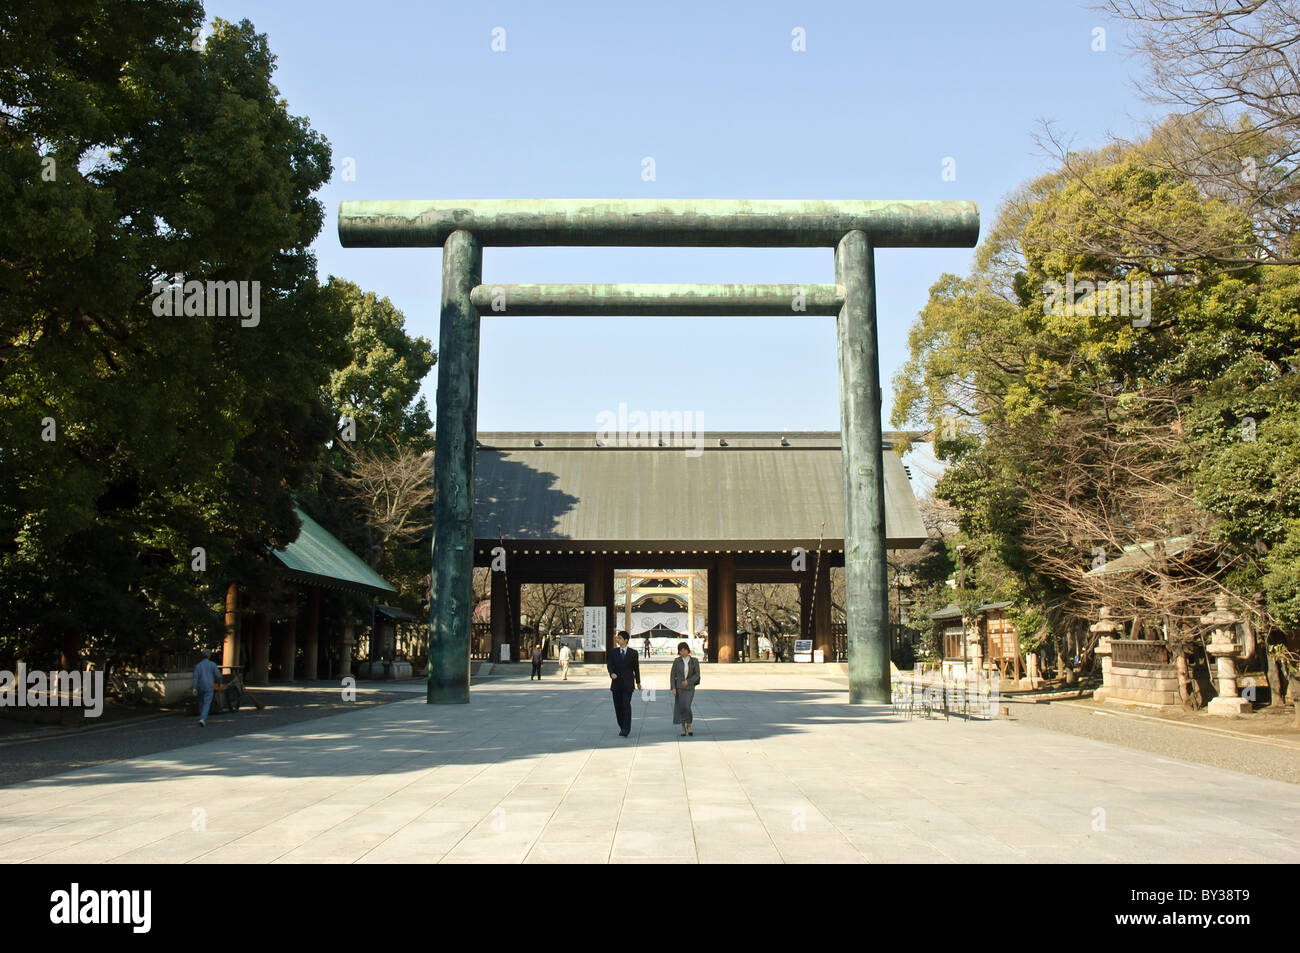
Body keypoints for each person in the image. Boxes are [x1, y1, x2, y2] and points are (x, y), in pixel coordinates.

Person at [607, 630, 641, 737]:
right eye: (617, 638)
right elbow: (610, 665)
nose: (618, 640)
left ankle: (626, 728)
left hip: (628, 684)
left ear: (626, 640)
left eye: (620, 638)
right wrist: (612, 673)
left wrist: (638, 682)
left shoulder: (633, 653)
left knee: (626, 705)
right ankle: (621, 725)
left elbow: (636, 668)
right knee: (618, 706)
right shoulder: (613, 652)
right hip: (616, 684)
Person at [670, 641, 700, 736]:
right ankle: (683, 727)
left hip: (690, 688)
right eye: (681, 651)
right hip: (679, 688)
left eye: (684, 650)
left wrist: (689, 681)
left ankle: (689, 724)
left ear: (688, 650)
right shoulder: (677, 661)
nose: (683, 652)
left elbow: (697, 675)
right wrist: (673, 688)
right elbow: (672, 675)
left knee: (687, 706)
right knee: (681, 707)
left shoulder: (694, 661)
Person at [192, 649, 223, 727]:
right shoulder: (212, 665)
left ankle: (201, 715)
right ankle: (203, 718)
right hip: (209, 685)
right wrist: (219, 683)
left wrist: (194, 687)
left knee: (201, 701)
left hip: (200, 686)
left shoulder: (198, 665)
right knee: (207, 702)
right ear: (209, 656)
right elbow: (218, 675)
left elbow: (195, 678)